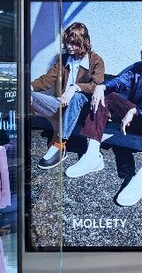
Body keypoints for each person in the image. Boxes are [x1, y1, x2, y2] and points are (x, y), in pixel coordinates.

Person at [65, 31, 142, 207]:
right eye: (141, 49)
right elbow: (121, 81)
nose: (141, 53)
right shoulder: (139, 68)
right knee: (105, 96)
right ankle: (92, 156)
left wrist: (137, 110)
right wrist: (102, 87)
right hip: (133, 120)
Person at [30, 22, 105, 169]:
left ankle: (60, 145)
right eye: (67, 43)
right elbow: (47, 79)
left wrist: (75, 87)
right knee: (26, 94)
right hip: (60, 105)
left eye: (74, 43)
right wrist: (30, 86)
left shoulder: (96, 61)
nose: (69, 47)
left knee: (77, 97)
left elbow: (97, 85)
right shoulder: (64, 60)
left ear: (83, 42)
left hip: (82, 111)